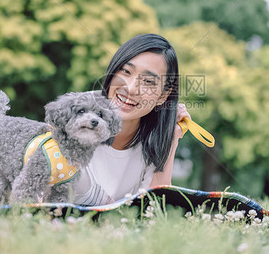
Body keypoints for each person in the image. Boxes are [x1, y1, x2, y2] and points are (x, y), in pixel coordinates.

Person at [73, 33, 190, 205]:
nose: (131, 88)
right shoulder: (74, 113)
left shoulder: (154, 138)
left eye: (148, 81)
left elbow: (156, 207)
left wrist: (171, 138)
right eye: (126, 71)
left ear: (163, 96)